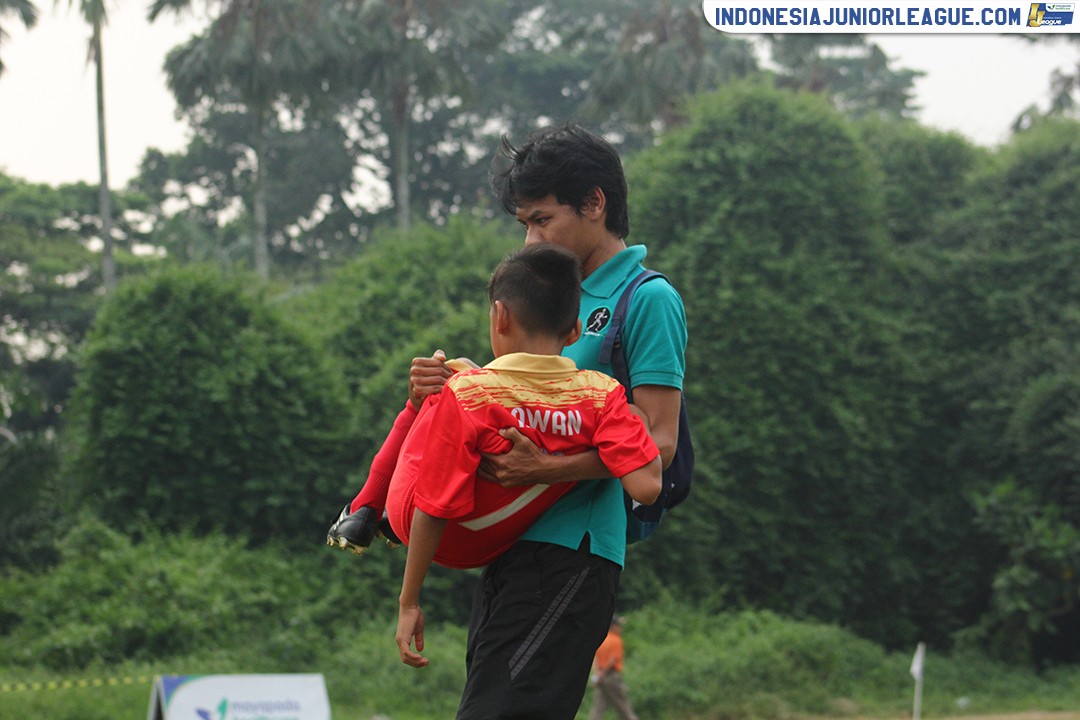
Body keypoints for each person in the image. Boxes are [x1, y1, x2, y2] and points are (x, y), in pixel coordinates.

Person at [409, 124, 688, 720]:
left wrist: (548, 467)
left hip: (575, 549)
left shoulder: (647, 299)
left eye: (543, 220)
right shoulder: (551, 291)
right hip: (512, 544)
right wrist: (455, 385)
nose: (530, 239)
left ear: (595, 203)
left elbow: (659, 444)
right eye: (524, 224)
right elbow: (529, 399)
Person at [589, 617, 639, 720]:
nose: (621, 628)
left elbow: (595, 658)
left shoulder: (602, 639)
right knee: (622, 704)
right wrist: (602, 674)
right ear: (613, 626)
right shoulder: (616, 640)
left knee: (599, 707)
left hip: (600, 677)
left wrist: (598, 674)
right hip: (611, 676)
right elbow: (612, 660)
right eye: (618, 625)